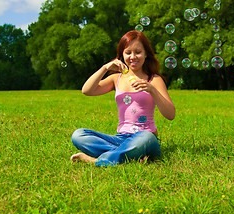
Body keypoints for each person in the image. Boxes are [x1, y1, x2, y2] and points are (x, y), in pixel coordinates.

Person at [71, 30, 175, 166]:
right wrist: (105, 68)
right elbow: (87, 90)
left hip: (145, 137)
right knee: (78, 135)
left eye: (138, 52)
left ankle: (99, 160)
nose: (133, 57)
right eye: (128, 53)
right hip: (120, 138)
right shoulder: (116, 78)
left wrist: (152, 90)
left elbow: (170, 114)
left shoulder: (154, 80)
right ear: (122, 55)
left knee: (145, 138)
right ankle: (131, 155)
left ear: (145, 54)